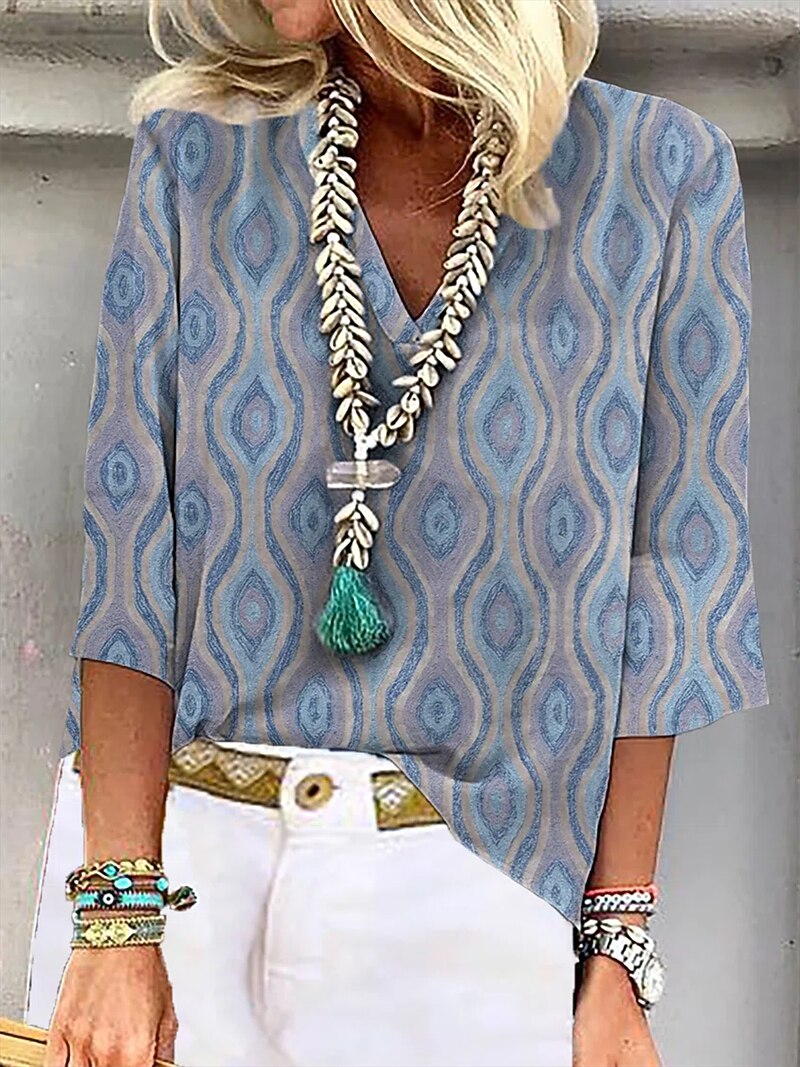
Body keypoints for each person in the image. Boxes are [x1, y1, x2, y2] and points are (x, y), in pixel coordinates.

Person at [23, 1, 769, 1065]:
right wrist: (115, 924)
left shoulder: (660, 176)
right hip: (179, 895)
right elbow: (130, 555)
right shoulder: (196, 159)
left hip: (479, 910)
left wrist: (615, 947)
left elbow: (673, 584)